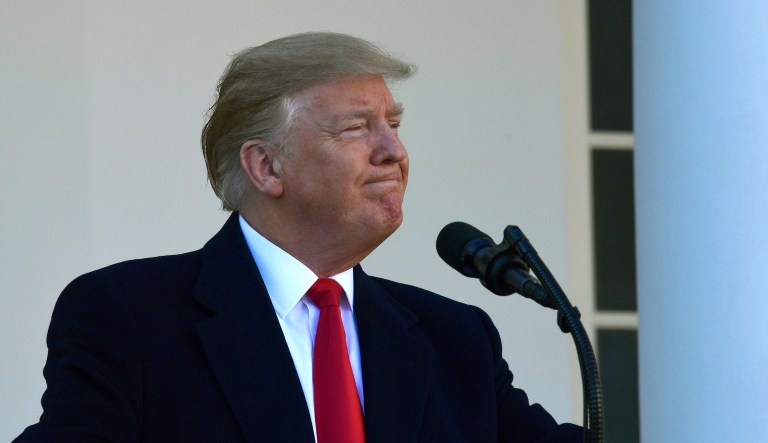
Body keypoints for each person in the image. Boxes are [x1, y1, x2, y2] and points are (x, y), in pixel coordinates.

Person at [15, 32, 583, 442]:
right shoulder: (129, 316)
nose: (394, 152)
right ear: (266, 166)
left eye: (395, 125)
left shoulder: (456, 339)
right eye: (357, 128)